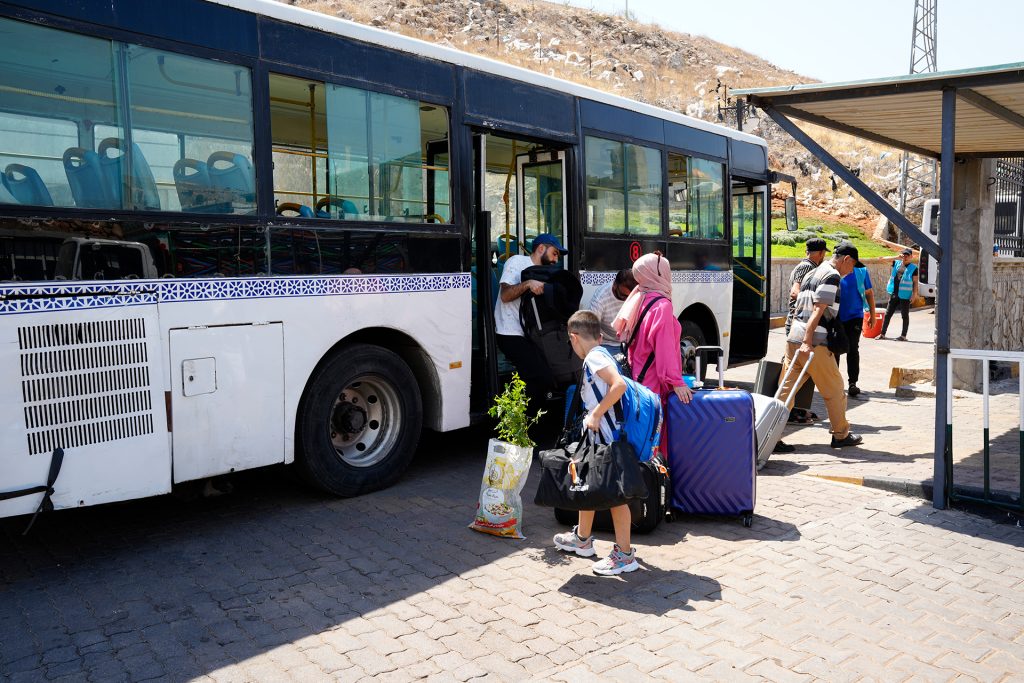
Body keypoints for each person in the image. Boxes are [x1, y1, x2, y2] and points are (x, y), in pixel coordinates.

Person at [552, 310, 638, 576]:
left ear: (574, 337)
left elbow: (619, 385)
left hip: (606, 436)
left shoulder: (594, 358)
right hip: (600, 435)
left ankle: (624, 555)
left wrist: (597, 413)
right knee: (586, 484)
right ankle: (583, 539)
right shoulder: (599, 354)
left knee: (615, 496)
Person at [778, 241, 863, 449]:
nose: (851, 272)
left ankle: (765, 434)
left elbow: (799, 305)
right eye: (852, 267)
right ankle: (841, 435)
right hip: (814, 343)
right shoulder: (831, 276)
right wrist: (808, 341)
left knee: (786, 391)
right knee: (835, 390)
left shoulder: (812, 273)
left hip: (794, 338)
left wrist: (799, 339)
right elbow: (818, 309)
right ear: (846, 260)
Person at [613, 252, 692, 457]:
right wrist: (677, 382)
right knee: (654, 442)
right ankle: (655, 484)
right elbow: (664, 349)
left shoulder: (639, 297)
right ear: (659, 274)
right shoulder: (661, 306)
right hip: (654, 385)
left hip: (637, 382)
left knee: (642, 437)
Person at [493, 233, 567, 404]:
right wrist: (527, 284)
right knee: (541, 376)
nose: (556, 260)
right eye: (554, 253)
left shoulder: (548, 272)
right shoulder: (518, 262)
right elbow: (505, 295)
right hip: (509, 333)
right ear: (541, 248)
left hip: (531, 334)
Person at [835, 261, 876, 397]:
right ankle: (834, 382)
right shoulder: (835, 271)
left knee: (852, 348)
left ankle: (853, 383)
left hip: (855, 317)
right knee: (835, 349)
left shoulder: (861, 271)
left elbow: (869, 293)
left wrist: (872, 315)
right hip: (836, 317)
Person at [587, 269, 637, 355]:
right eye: (623, 295)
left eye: (630, 297)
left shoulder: (638, 294)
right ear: (614, 285)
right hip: (608, 343)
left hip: (632, 342)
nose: (627, 300)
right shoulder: (601, 296)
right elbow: (591, 327)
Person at [878, 248, 919, 341]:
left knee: (905, 315)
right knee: (888, 314)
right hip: (894, 293)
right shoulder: (896, 263)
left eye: (907, 255)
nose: (905, 257)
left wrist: (914, 294)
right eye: (904, 255)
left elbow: (915, 282)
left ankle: (903, 336)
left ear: (911, 257)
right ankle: (882, 334)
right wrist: (896, 257)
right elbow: (882, 259)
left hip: (905, 295)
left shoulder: (914, 268)